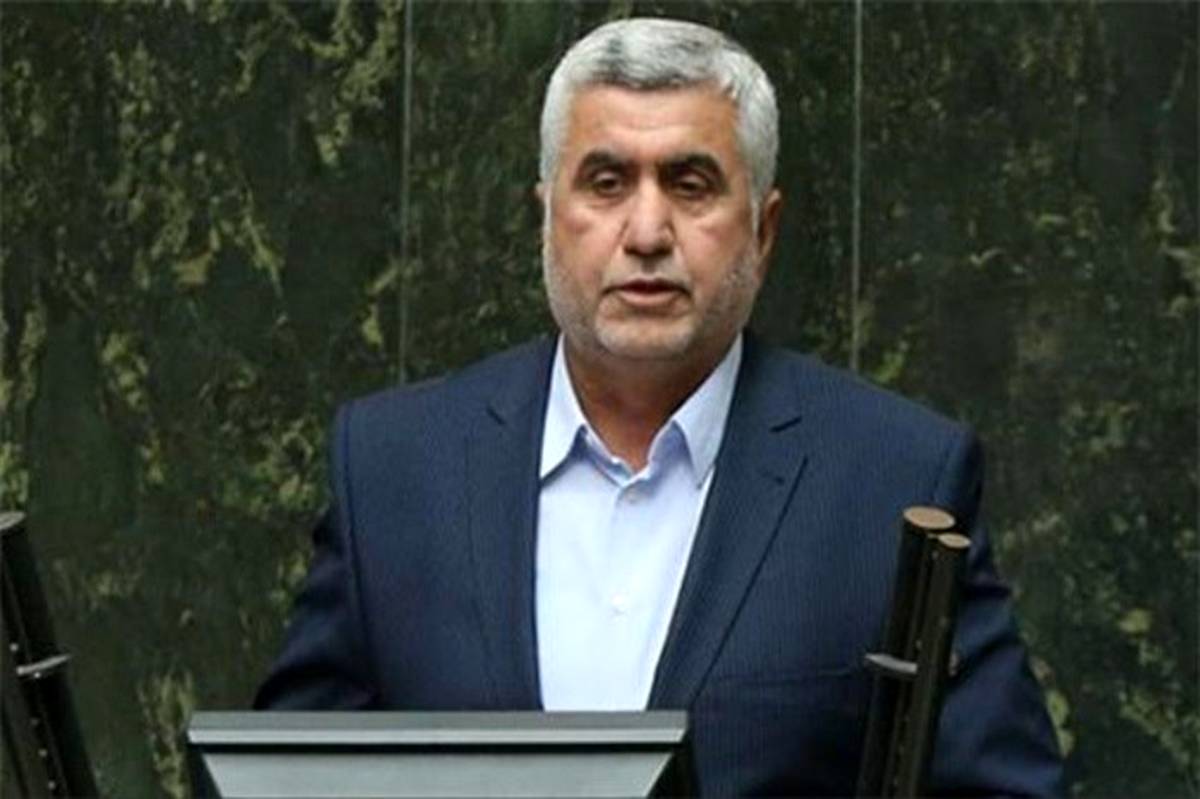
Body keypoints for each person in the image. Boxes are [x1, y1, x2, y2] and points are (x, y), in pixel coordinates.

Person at [255, 18, 1063, 796]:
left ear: (763, 230)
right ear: (547, 218)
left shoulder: (895, 479)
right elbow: (283, 783)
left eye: (690, 184)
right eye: (606, 183)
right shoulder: (393, 469)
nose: (646, 231)